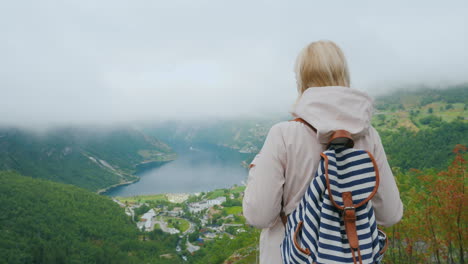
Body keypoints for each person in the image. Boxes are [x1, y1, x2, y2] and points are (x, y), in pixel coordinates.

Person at [242, 40, 403, 264]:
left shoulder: (283, 135)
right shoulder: (368, 136)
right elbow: (390, 214)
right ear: (343, 75)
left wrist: (256, 168)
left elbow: (258, 215)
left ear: (302, 80)